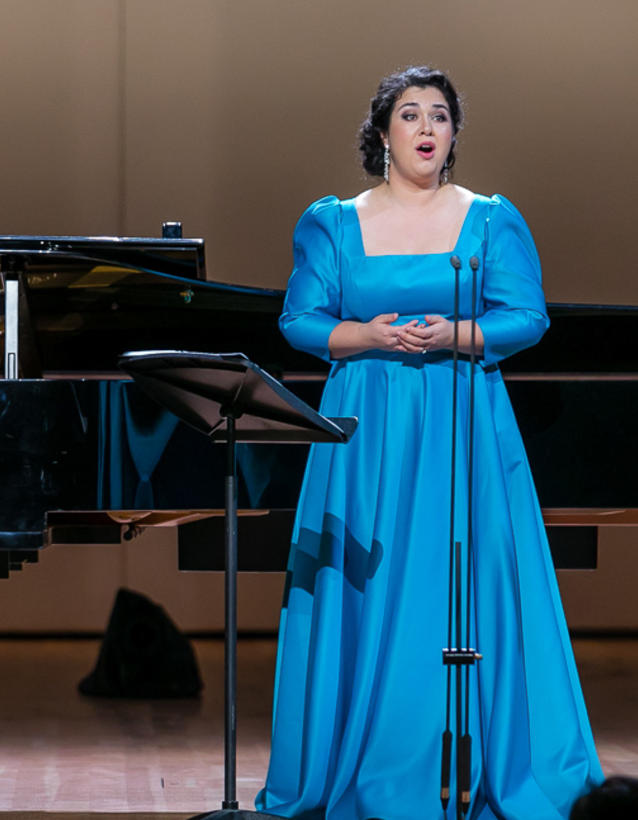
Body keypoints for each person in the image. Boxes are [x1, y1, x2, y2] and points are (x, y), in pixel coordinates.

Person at [258, 66, 601, 820]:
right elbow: (300, 320)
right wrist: (367, 336)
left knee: (466, 581)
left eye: (440, 116)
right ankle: (366, 763)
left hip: (461, 417)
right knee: (372, 586)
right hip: (365, 425)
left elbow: (527, 317)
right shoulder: (331, 222)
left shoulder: (490, 219)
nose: (426, 128)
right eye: (410, 114)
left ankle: (484, 764)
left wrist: (456, 333)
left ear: (452, 135)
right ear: (382, 133)